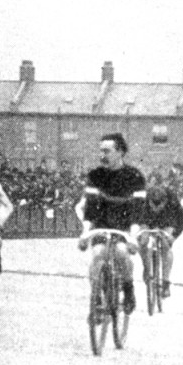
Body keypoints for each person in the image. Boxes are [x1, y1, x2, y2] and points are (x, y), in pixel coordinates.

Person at [76, 133, 145, 315]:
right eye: (101, 151)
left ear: (120, 152)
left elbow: (138, 211)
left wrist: (133, 237)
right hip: (102, 223)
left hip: (124, 224)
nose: (102, 155)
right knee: (98, 253)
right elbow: (90, 209)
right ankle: (96, 298)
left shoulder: (134, 176)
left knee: (122, 253)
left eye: (107, 151)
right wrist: (85, 232)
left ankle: (128, 289)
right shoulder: (96, 175)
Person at [133, 180, 183, 299]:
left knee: (165, 245)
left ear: (165, 201)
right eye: (153, 204)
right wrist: (139, 233)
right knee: (143, 241)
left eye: (159, 205)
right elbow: (135, 217)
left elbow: (181, 221)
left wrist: (173, 236)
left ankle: (166, 282)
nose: (156, 208)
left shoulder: (172, 200)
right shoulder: (144, 199)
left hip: (167, 221)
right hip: (148, 220)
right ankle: (147, 268)